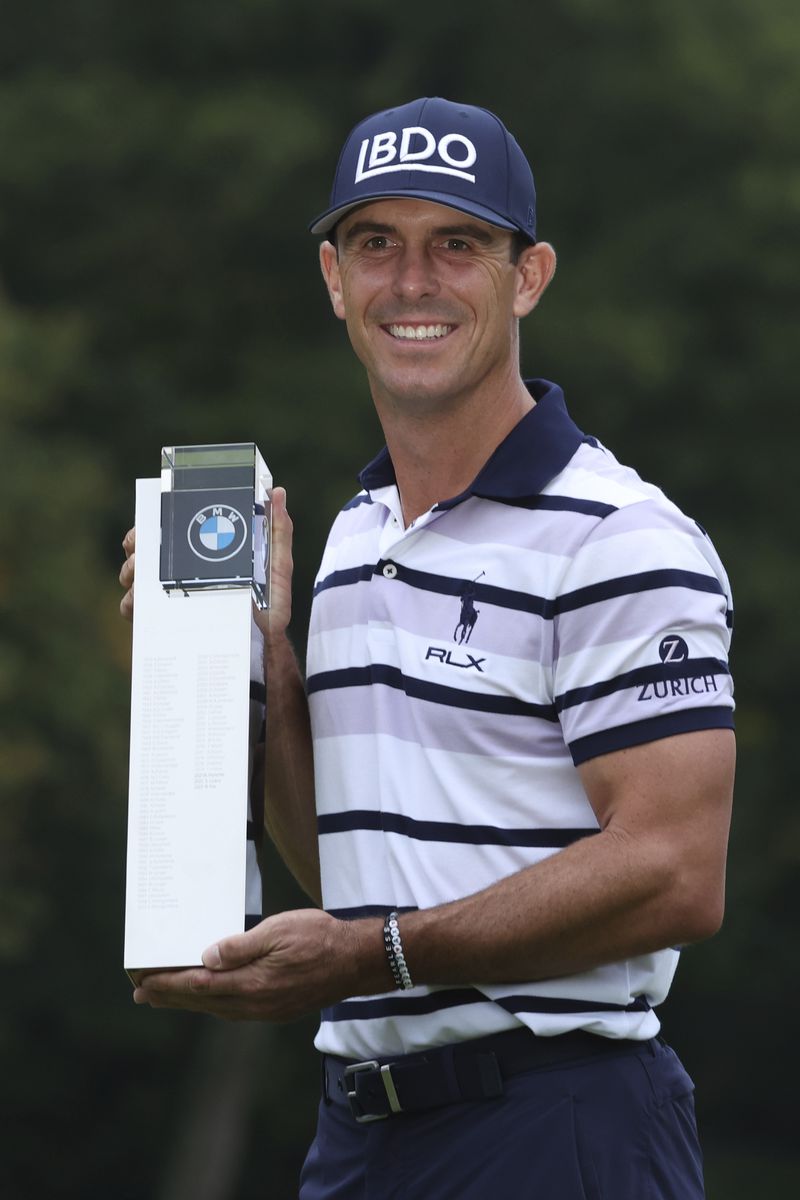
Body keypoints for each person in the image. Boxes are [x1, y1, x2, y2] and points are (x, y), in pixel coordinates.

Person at [120, 97, 735, 1198]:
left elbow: (673, 874)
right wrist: (251, 672)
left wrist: (368, 958)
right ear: (332, 280)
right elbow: (354, 867)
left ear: (529, 275)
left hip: (558, 1126)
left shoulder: (618, 537)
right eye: (375, 245)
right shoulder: (355, 540)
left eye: (457, 244)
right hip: (363, 1135)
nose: (412, 282)